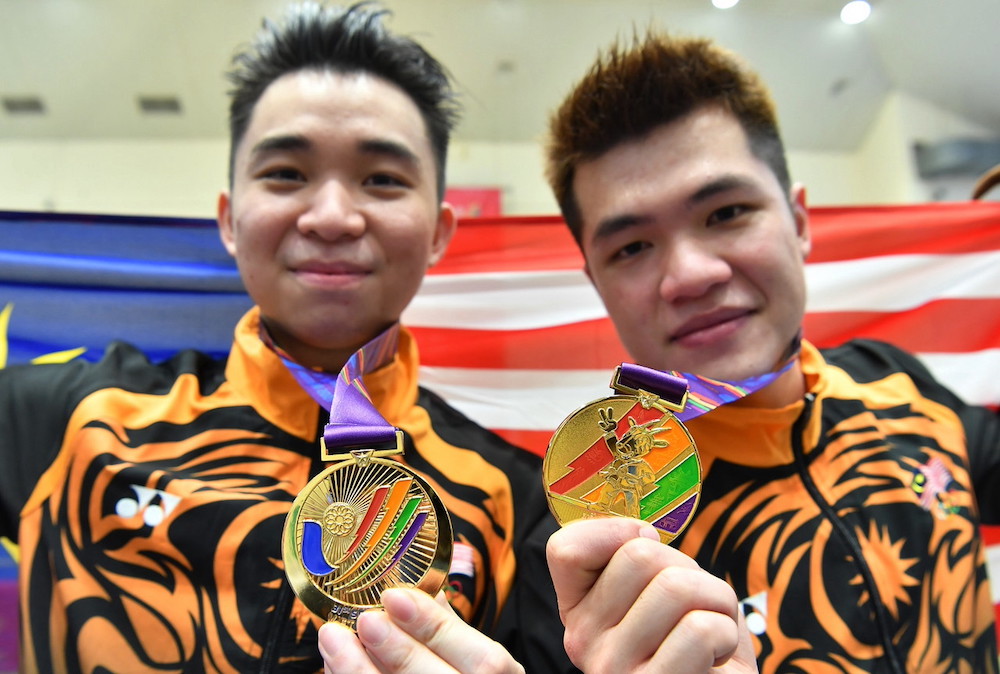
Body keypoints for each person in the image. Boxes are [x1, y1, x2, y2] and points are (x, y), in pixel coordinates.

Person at [0, 3, 573, 672]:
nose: (332, 217)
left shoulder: (515, 499)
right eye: (285, 175)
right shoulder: (67, 419)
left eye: (383, 180)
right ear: (229, 220)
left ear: (441, 232)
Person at [542, 30, 1000, 673]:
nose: (690, 275)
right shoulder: (583, 540)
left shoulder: (899, 384)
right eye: (632, 248)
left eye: (726, 212)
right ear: (597, 284)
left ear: (800, 221)